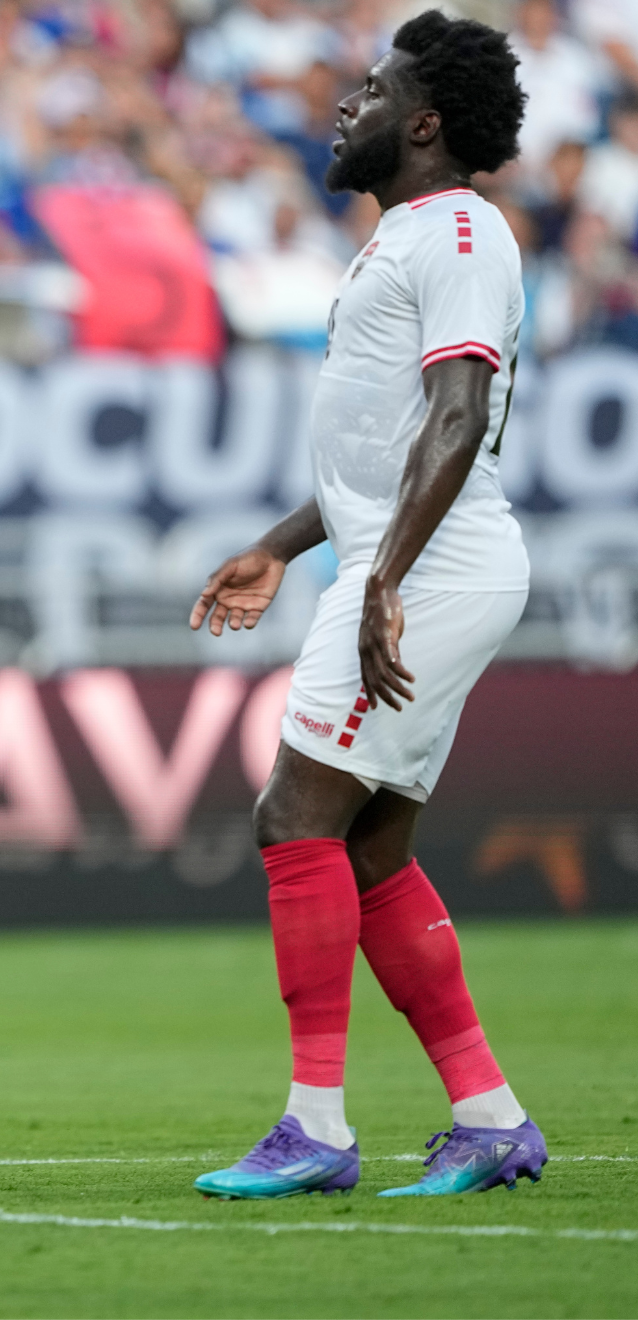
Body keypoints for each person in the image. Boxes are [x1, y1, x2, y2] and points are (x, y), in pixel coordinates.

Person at [189, 11, 543, 1200]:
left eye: (376, 90)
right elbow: (383, 442)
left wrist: (380, 577)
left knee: (295, 818)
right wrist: (289, 547)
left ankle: (317, 1129)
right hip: (409, 559)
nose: (350, 105)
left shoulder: (454, 230)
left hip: (428, 569)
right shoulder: (412, 236)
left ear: (427, 124)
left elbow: (455, 420)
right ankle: (488, 1116)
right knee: (370, 842)